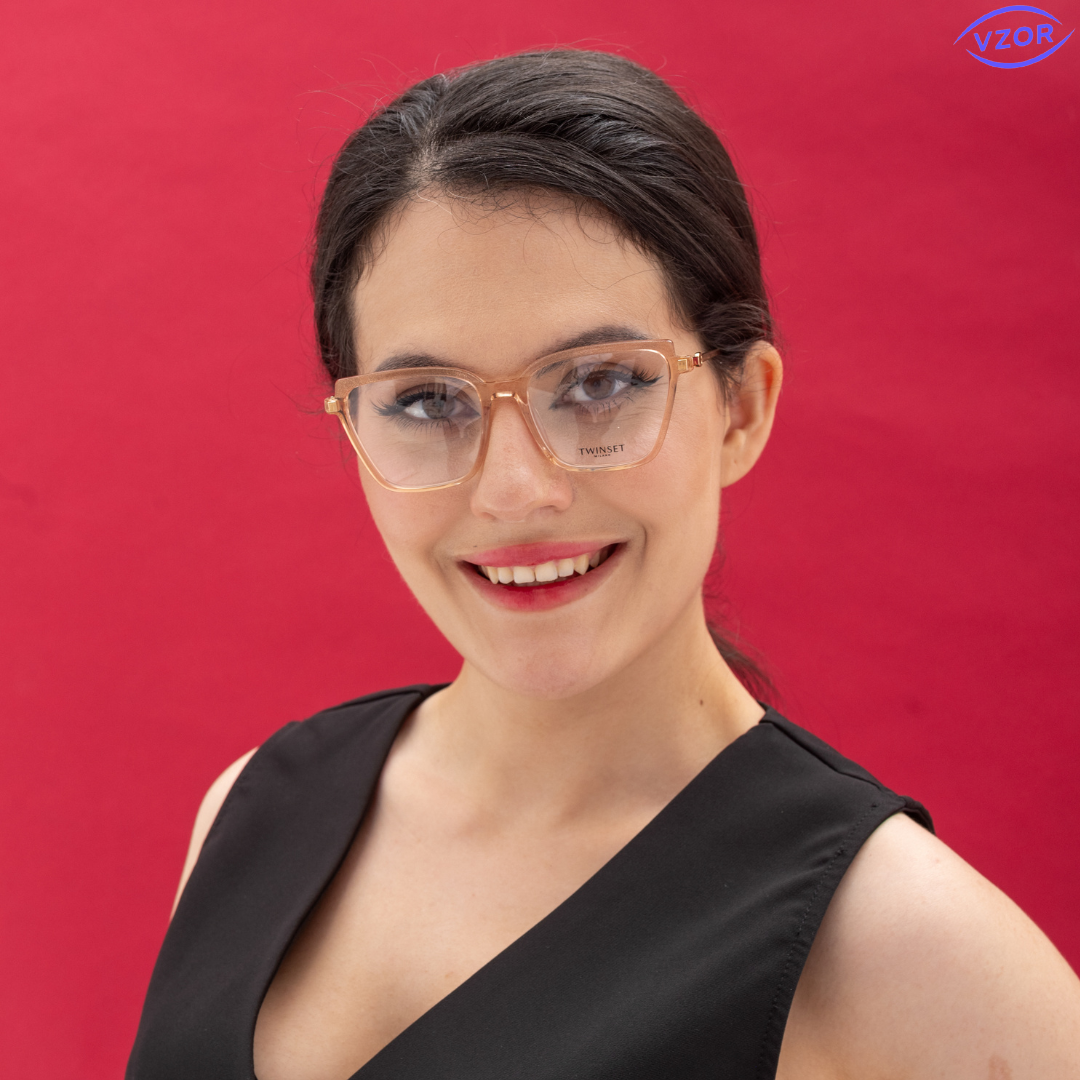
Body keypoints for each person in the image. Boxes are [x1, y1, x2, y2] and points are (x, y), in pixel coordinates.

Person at [126, 49, 1080, 1080]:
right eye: (428, 401)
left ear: (741, 407)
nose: (514, 491)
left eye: (598, 384)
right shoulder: (253, 808)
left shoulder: (897, 941)